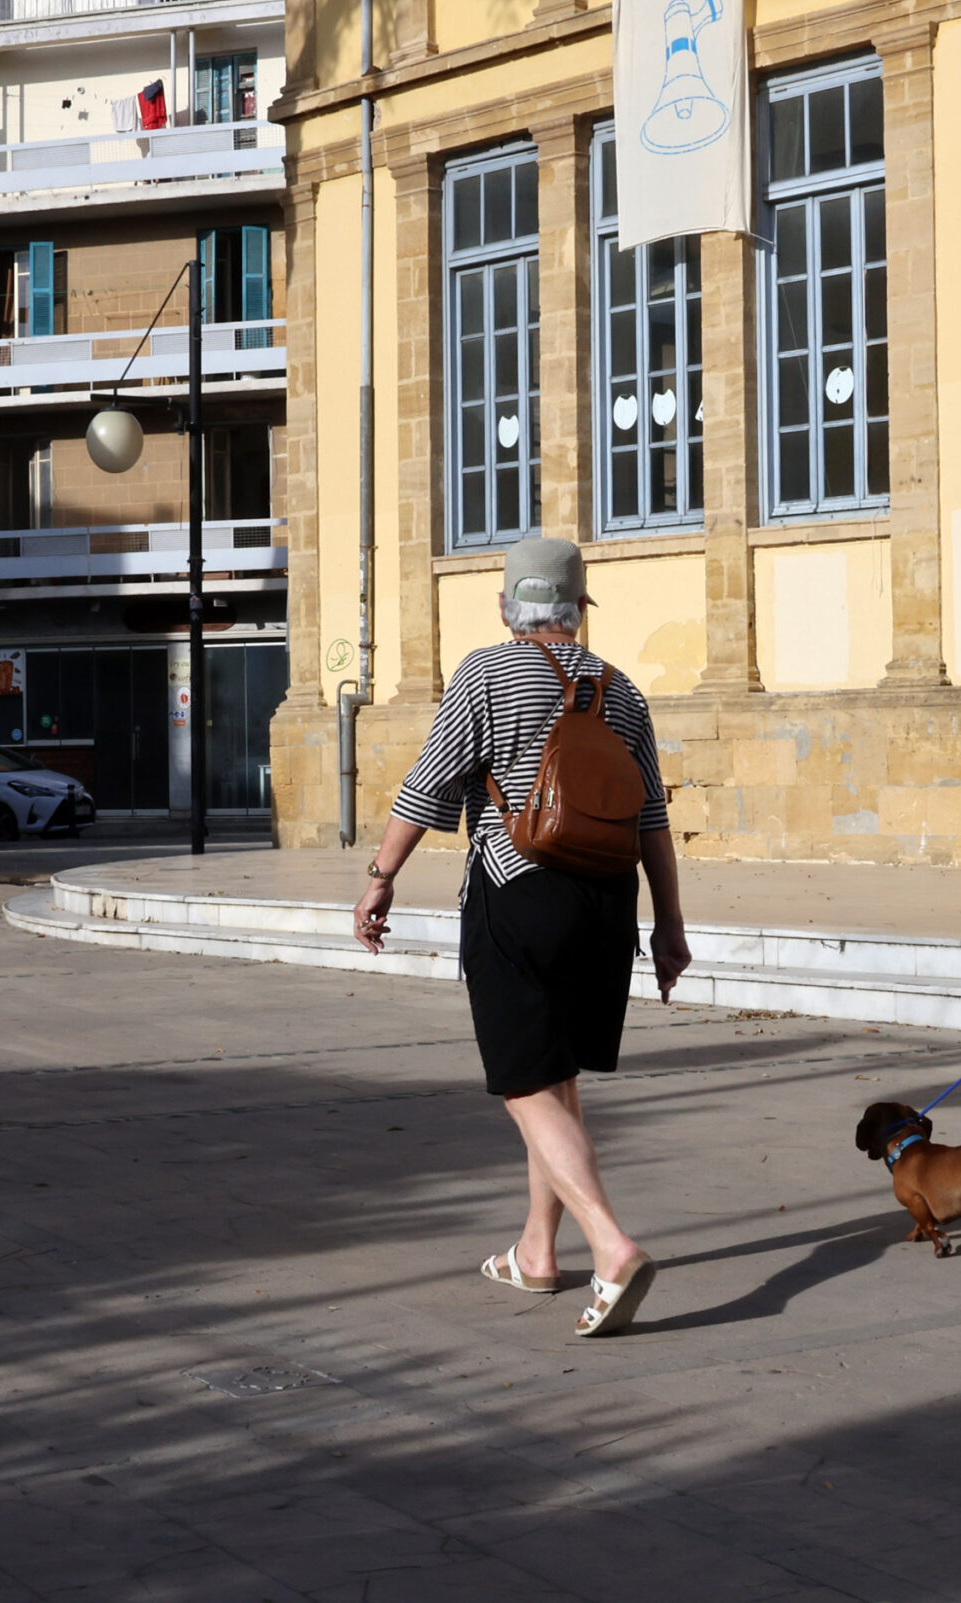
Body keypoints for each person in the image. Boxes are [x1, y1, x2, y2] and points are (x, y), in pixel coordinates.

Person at [354, 536, 690, 1336]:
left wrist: (380, 875)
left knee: (523, 1083)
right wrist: (668, 925)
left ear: (507, 607)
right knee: (557, 1074)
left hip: (518, 892)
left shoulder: (484, 671)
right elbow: (652, 820)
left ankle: (611, 1245)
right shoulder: (623, 690)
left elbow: (429, 783)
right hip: (608, 904)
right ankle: (538, 1250)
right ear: (579, 608)